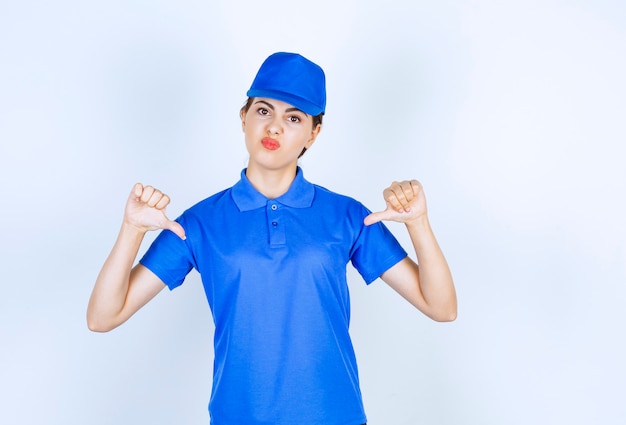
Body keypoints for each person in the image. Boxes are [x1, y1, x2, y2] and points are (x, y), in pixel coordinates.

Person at [87, 52, 457, 425]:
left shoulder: (347, 216)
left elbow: (441, 308)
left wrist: (419, 224)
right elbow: (103, 317)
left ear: (314, 133)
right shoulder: (200, 223)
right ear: (244, 117)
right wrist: (131, 231)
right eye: (264, 110)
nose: (275, 127)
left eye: (293, 117)